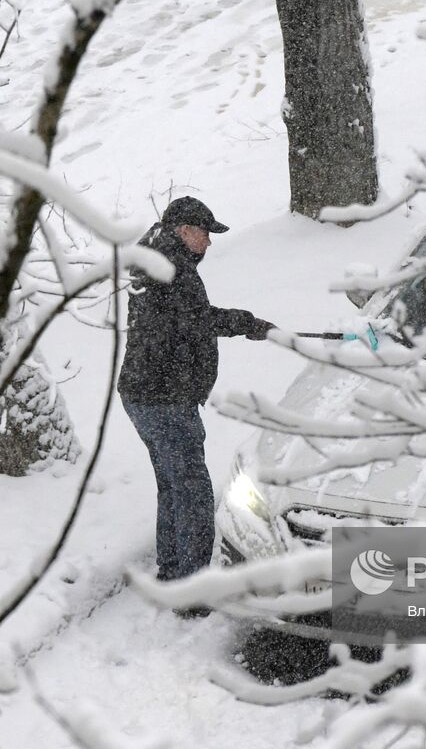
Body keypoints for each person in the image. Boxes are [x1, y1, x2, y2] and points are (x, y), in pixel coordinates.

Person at [118, 196, 275, 602]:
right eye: (205, 234)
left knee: (173, 485)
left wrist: (242, 323)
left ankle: (174, 571)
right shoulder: (173, 271)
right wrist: (246, 323)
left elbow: (187, 318)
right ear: (184, 230)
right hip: (163, 397)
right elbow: (198, 320)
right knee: (192, 492)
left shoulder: (153, 259)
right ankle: (192, 587)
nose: (208, 242)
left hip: (144, 392)